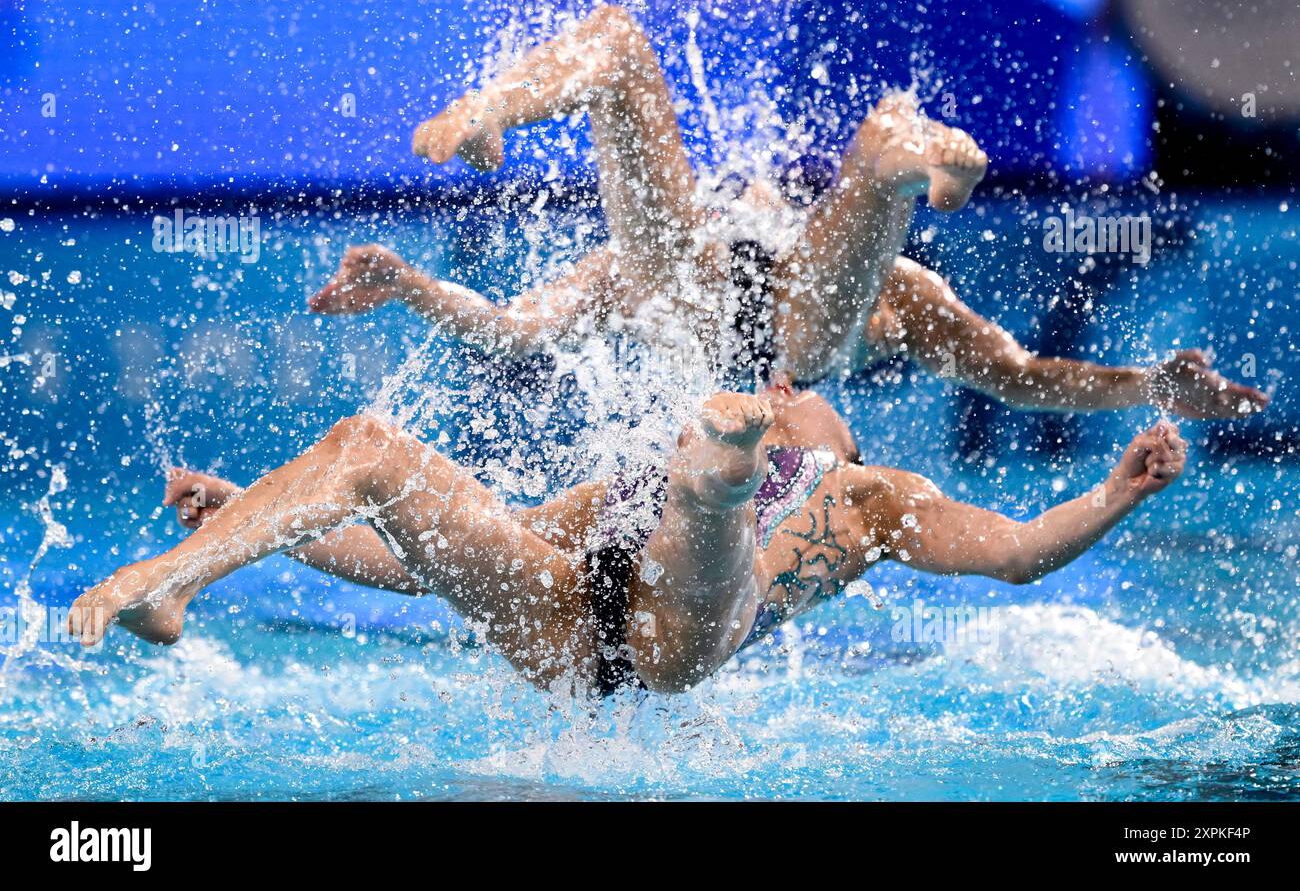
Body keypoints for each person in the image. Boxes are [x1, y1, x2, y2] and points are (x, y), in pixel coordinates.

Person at [308, 4, 1266, 419]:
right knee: (615, 42)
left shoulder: (885, 290)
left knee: (888, 137)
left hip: (790, 330)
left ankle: (933, 163)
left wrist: (1146, 384)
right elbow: (514, 330)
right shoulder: (672, 258)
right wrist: (414, 287)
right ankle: (493, 110)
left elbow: (1015, 373)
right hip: (696, 292)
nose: (752, 186)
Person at [68, 387, 1188, 696]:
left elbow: (1017, 547)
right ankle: (162, 588)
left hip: (684, 639)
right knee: (366, 448)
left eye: (797, 396)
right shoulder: (634, 480)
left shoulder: (871, 496)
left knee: (704, 507)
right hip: (567, 633)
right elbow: (429, 568)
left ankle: (723, 476)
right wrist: (253, 528)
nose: (790, 387)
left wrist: (1116, 490)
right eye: (775, 389)